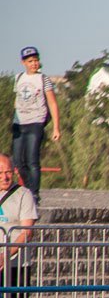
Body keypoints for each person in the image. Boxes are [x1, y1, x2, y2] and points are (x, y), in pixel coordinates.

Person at [0, 153, 38, 298]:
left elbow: (26, 231)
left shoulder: (23, 195)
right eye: (1, 173)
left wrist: (6, 254)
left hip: (16, 263)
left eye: (8, 172)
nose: (5, 177)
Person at [12, 47, 61, 203]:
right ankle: (27, 189)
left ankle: (34, 193)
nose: (34, 64)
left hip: (36, 122)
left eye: (35, 60)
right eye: (30, 61)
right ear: (23, 62)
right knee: (19, 162)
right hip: (19, 123)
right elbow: (17, 100)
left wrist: (56, 127)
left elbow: (52, 103)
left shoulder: (43, 79)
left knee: (32, 159)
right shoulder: (18, 78)